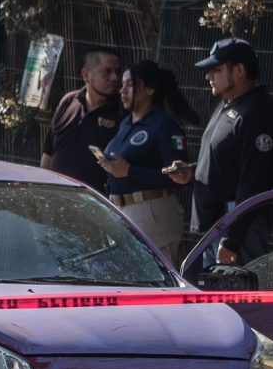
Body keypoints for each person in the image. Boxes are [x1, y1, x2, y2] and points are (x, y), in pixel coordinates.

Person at [166, 38, 273, 266]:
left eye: (216, 69)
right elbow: (228, 163)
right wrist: (193, 173)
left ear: (239, 70)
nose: (208, 76)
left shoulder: (258, 113)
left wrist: (233, 239)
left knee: (237, 300)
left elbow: (255, 182)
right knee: (217, 300)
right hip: (218, 226)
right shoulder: (229, 104)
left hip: (238, 227)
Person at [97, 61, 190, 265]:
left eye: (130, 85)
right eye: (122, 85)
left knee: (154, 286)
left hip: (151, 213)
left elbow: (179, 179)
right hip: (120, 212)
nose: (122, 91)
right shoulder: (126, 123)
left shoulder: (165, 126)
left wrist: (130, 171)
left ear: (150, 89)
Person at [40, 46, 123, 192]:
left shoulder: (123, 111)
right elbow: (49, 151)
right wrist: (41, 186)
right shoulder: (69, 101)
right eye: (107, 72)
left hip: (95, 203)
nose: (115, 78)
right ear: (86, 75)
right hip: (55, 196)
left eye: (118, 71)